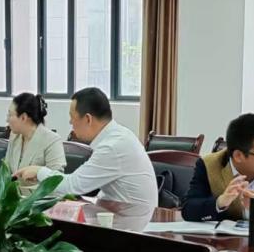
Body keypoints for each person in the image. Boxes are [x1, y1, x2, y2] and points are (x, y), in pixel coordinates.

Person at [13, 87, 157, 212]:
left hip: (131, 223)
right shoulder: (118, 136)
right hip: (119, 212)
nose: (70, 122)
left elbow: (73, 185)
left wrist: (39, 171)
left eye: (72, 117)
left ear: (88, 119)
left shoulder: (112, 147)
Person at [2, 92, 66, 174]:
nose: (7, 120)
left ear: (23, 117)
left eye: (10, 115)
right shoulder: (14, 136)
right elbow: (6, 171)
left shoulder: (52, 140)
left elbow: (56, 178)